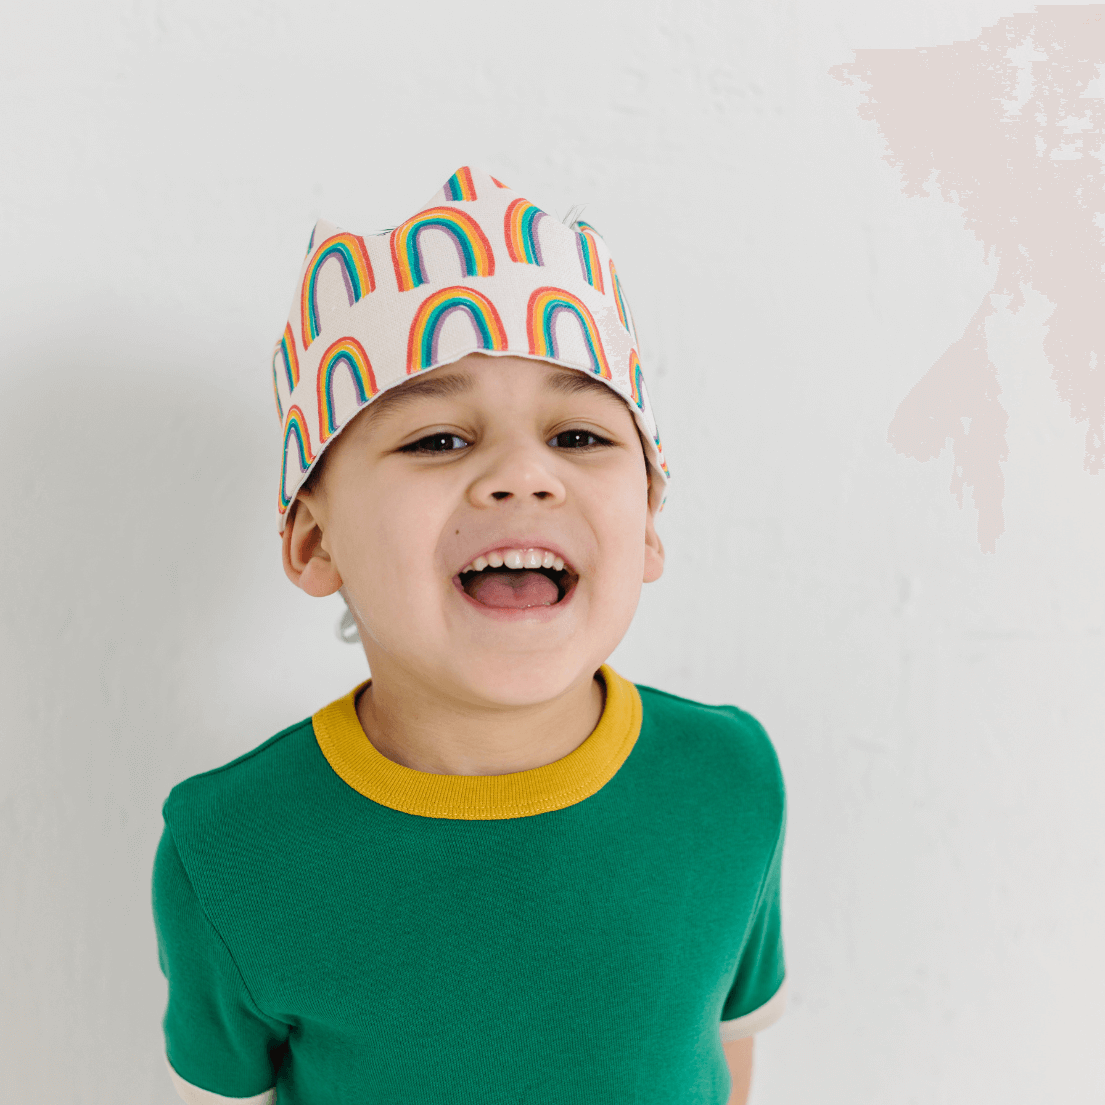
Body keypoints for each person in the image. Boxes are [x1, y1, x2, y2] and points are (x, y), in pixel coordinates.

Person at [152, 166, 787, 1105]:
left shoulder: (729, 778)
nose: (523, 475)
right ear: (315, 539)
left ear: (648, 523)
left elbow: (728, 1055)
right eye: (438, 439)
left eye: (578, 436)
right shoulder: (231, 846)